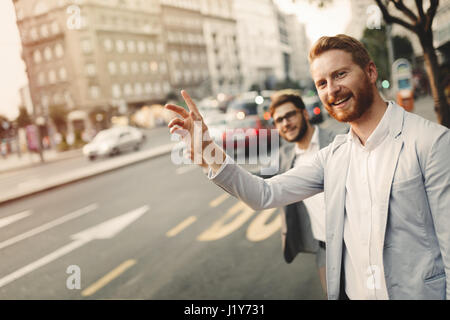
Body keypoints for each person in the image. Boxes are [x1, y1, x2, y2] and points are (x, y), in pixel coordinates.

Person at [165, 34, 450, 300]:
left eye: (340, 74)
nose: (332, 89)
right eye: (322, 83)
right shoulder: (334, 156)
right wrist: (208, 150)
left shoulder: (432, 142)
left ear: (371, 72)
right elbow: (264, 193)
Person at [267, 90, 339, 296]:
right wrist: (211, 158)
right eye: (279, 120)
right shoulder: (286, 156)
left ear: (304, 114)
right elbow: (259, 182)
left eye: (290, 115)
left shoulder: (337, 140)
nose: (285, 123)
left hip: (358, 242)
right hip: (324, 250)